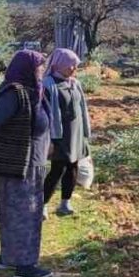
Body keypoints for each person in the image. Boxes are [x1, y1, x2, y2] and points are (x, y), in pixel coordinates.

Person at [0, 50, 54, 277]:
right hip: (20, 163)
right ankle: (25, 266)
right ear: (27, 69)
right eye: (38, 68)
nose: (41, 72)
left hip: (28, 163)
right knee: (25, 213)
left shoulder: (32, 92)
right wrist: (8, 145)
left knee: (13, 211)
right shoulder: (15, 93)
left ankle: (8, 257)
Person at [42, 48, 91, 218]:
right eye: (70, 65)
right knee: (57, 169)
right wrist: (49, 139)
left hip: (76, 133)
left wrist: (85, 132)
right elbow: (46, 113)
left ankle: (65, 203)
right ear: (59, 65)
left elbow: (82, 108)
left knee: (73, 167)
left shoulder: (75, 83)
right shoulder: (48, 85)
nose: (73, 69)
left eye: (75, 66)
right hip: (59, 135)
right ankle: (42, 205)